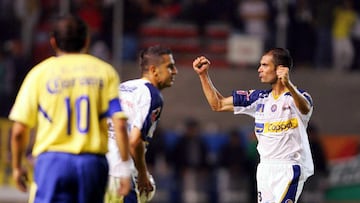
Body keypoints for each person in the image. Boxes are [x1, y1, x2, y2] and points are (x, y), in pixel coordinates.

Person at [9, 14, 131, 203]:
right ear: (87, 40)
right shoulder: (105, 72)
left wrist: (17, 167)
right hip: (92, 163)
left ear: (53, 41)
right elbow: (120, 124)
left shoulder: (40, 73)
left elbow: (18, 131)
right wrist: (124, 169)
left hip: (53, 162)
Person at [192, 48, 314, 203]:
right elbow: (218, 104)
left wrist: (288, 84)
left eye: (264, 65)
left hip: (290, 167)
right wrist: (203, 75)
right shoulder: (259, 98)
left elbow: (305, 108)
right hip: (265, 168)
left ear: (280, 69)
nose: (259, 69)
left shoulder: (297, 97)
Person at [105, 44, 178, 203]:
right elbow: (135, 141)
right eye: (170, 67)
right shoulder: (153, 96)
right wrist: (143, 175)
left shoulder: (123, 87)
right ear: (154, 70)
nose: (175, 71)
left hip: (98, 169)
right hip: (119, 176)